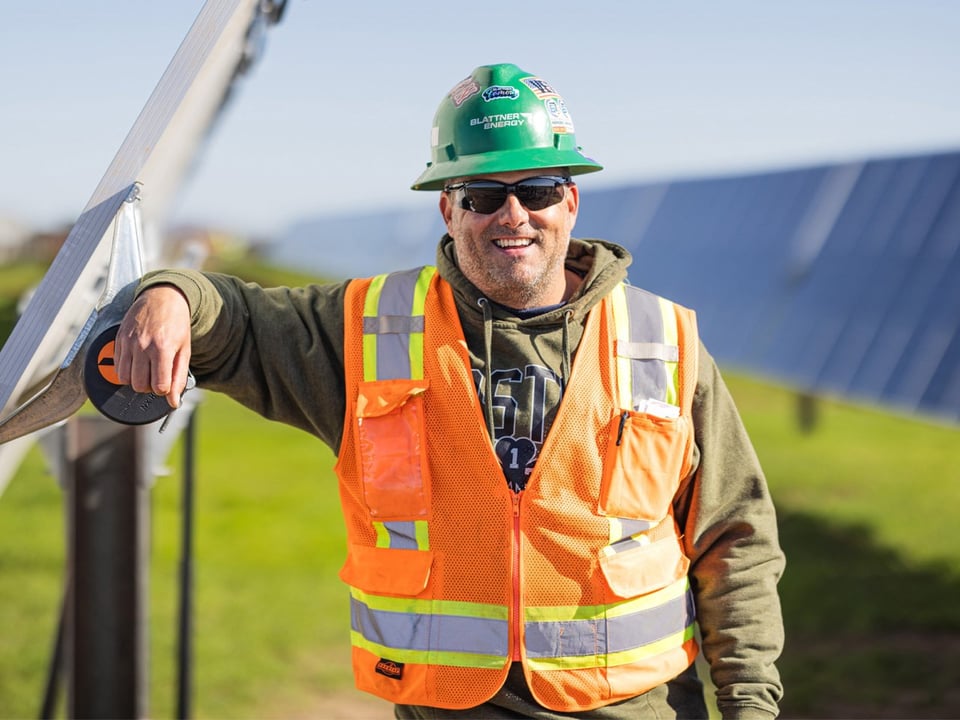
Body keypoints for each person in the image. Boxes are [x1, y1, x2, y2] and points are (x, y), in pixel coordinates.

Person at [116, 63, 785, 719]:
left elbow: (736, 536)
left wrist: (749, 705)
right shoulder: (368, 331)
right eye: (484, 196)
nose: (514, 215)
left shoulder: (661, 340)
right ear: (448, 208)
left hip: (636, 709)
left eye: (541, 190)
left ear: (571, 202)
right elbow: (230, 318)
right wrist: (170, 294)